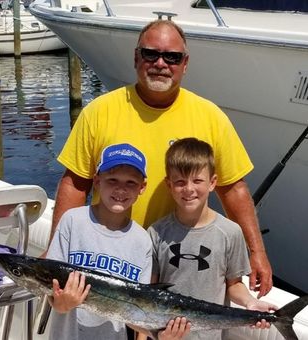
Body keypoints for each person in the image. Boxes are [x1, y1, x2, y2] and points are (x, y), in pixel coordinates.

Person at [51, 19, 272, 296]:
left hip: (176, 265)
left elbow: (234, 189)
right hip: (108, 259)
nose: (160, 63)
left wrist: (257, 252)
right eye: (150, 53)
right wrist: (55, 256)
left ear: (185, 63)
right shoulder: (99, 112)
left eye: (172, 57)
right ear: (136, 57)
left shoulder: (211, 117)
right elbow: (75, 183)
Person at [47, 142, 189, 340]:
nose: (121, 189)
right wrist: (62, 304)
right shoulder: (73, 221)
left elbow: (137, 312)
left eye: (130, 182)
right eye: (112, 180)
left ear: (142, 187)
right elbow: (52, 289)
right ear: (97, 181)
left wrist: (160, 336)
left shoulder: (142, 241)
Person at [145, 138, 277, 340]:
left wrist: (250, 303)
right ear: (169, 185)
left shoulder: (231, 232)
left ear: (212, 183)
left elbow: (233, 285)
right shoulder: (156, 233)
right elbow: (147, 296)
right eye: (180, 182)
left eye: (197, 181)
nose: (189, 189)